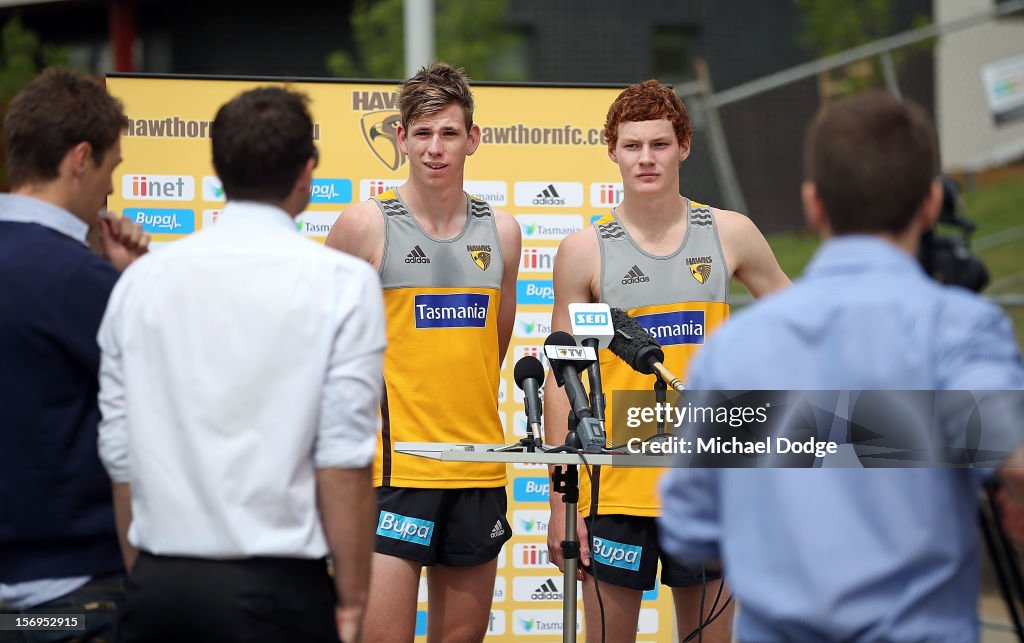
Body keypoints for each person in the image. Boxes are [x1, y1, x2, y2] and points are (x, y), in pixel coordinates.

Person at [658, 90, 1024, 642]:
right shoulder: (961, 329)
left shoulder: (735, 349)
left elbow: (689, 529)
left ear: (814, 205)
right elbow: (1014, 463)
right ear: (929, 204)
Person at [97, 87, 384, 643]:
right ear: (308, 171)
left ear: (217, 168)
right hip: (279, 593)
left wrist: (145, 576)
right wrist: (351, 601)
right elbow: (343, 460)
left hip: (160, 587)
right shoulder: (341, 284)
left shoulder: (141, 282)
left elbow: (119, 451)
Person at [544, 79, 789, 642]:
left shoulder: (729, 233)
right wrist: (562, 500)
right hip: (614, 487)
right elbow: (562, 378)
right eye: (633, 145)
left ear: (684, 147)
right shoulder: (585, 249)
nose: (646, 158)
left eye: (659, 144)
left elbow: (799, 326)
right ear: (612, 151)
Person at [325, 62, 521, 642]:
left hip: (479, 471)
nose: (435, 148)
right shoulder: (364, 225)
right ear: (401, 137)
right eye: (423, 132)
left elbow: (495, 348)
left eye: (450, 133)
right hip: (393, 473)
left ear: (473, 139)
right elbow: (319, 349)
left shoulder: (503, 233)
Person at [0, 68, 149, 641]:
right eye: (112, 167)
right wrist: (126, 283)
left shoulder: (77, 273)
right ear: (81, 158)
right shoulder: (76, 281)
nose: (110, 189)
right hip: (69, 599)